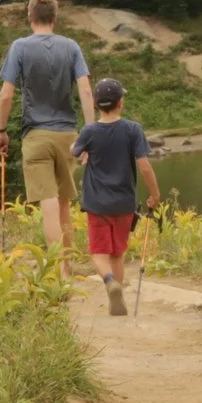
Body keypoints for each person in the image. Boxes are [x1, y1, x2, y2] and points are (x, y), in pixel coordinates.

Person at [0, 0, 97, 254]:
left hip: (36, 135)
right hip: (67, 136)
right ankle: (68, 269)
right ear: (55, 18)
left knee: (49, 204)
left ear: (30, 17)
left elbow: (6, 95)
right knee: (64, 204)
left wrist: (1, 131)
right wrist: (91, 131)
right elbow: (85, 91)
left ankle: (55, 270)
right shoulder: (71, 46)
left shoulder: (20, 47)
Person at [73, 77, 161, 315]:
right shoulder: (133, 129)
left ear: (96, 106)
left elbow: (75, 152)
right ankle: (118, 296)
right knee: (117, 253)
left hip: (96, 204)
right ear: (121, 103)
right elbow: (144, 166)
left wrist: (85, 154)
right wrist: (155, 194)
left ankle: (110, 282)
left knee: (98, 253)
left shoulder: (89, 131)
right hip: (124, 204)